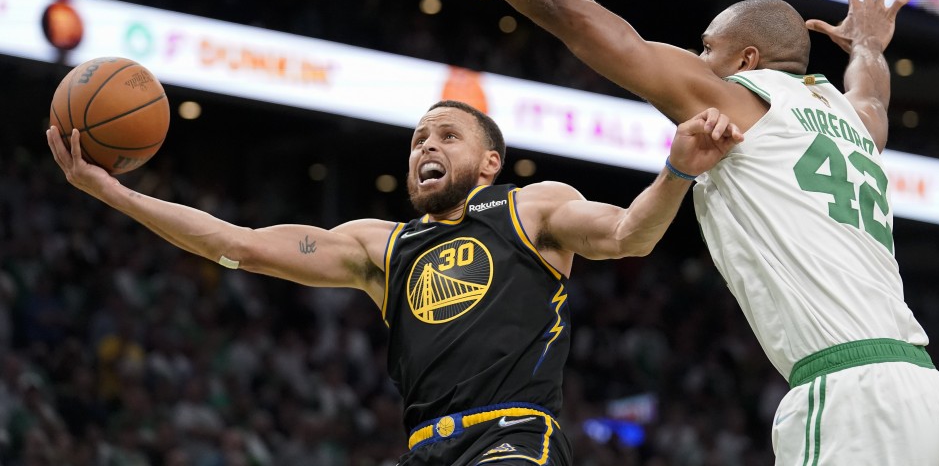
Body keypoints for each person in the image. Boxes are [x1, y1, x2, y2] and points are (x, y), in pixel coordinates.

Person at [341, 0, 939, 465]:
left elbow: (565, 7)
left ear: (747, 60)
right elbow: (871, 96)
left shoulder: (737, 100)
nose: (696, 62)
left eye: (706, 49)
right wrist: (867, 47)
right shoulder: (851, 123)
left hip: (851, 394)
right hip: (929, 395)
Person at [47, 100, 743, 465]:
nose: (426, 146)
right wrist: (116, 195)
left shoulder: (531, 209)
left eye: (447, 136)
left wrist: (678, 169)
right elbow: (239, 246)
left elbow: (629, 235)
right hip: (423, 449)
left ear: (490, 162)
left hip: (512, 437)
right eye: (417, 141)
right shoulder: (381, 246)